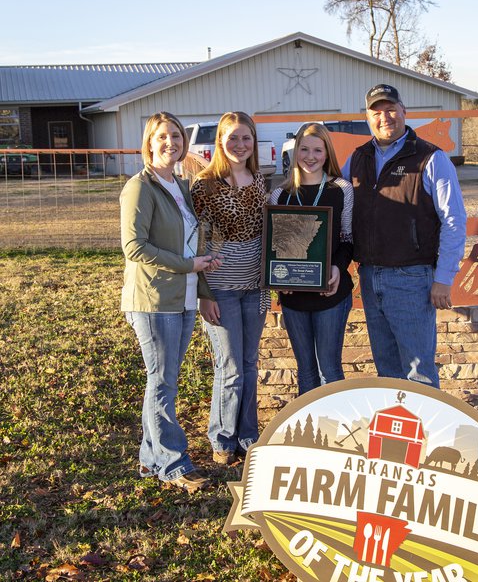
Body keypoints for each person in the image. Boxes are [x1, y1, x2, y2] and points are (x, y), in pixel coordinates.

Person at [120, 111, 221, 492]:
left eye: (176, 136)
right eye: (162, 137)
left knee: (164, 380)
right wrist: (188, 265)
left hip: (184, 297)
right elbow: (134, 247)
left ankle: (151, 458)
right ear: (149, 142)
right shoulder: (139, 187)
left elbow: (193, 244)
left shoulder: (180, 185)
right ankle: (173, 462)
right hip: (153, 299)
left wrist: (203, 284)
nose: (170, 143)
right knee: (162, 382)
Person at [342, 84, 467, 388]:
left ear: (403, 111)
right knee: (387, 370)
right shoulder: (356, 159)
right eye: (376, 111)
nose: (384, 117)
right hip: (370, 276)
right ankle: (397, 437)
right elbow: (335, 206)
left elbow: (453, 220)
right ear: (367, 117)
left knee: (418, 373)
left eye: (390, 109)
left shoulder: (431, 158)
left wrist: (443, 278)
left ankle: (423, 434)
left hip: (412, 277)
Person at [190, 111, 267, 465]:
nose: (239, 144)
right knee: (230, 365)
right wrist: (203, 293)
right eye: (232, 137)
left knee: (249, 363)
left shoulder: (259, 179)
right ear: (220, 140)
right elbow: (194, 244)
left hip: (255, 285)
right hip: (219, 288)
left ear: (254, 141)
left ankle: (248, 435)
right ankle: (222, 437)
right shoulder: (204, 184)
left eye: (246, 138)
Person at [270, 123, 354, 395]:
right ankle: (310, 434)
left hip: (330, 293)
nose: (310, 156)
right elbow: (274, 247)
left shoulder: (341, 189)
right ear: (295, 153)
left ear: (327, 153)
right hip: (293, 295)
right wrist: (278, 278)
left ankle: (337, 432)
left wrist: (337, 268)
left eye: (317, 150)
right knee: (305, 369)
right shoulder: (280, 194)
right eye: (304, 149)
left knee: (329, 368)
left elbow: (348, 239)